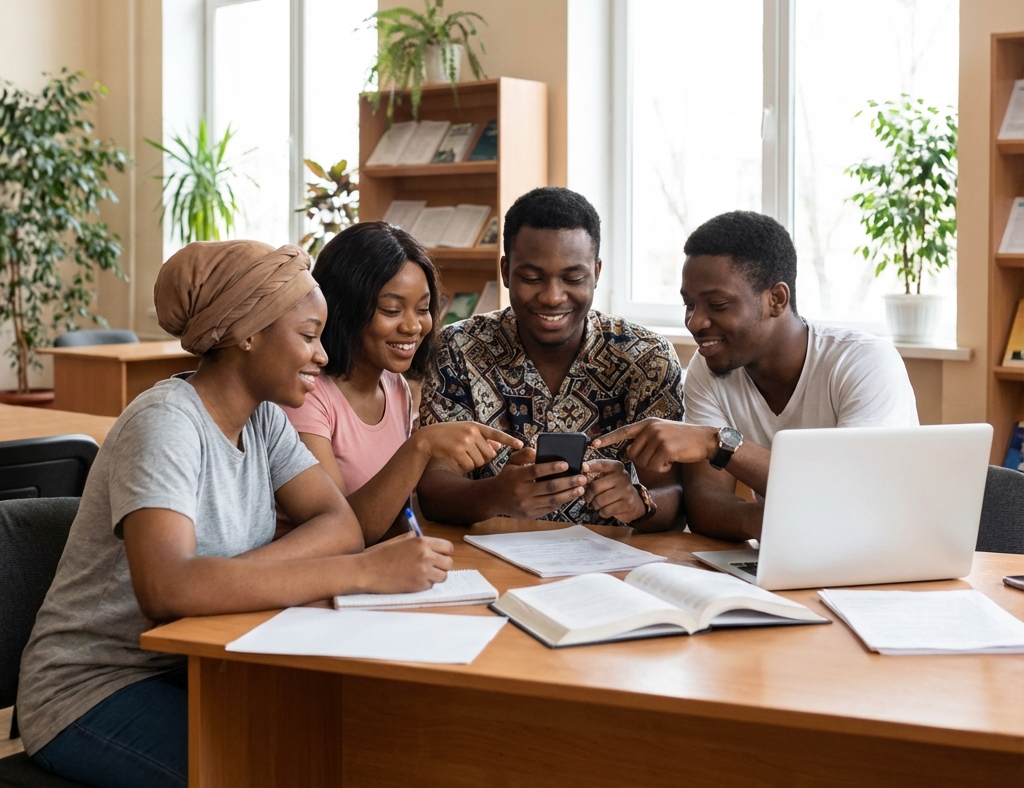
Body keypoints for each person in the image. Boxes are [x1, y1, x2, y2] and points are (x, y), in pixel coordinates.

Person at [17, 240, 456, 788]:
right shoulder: (166, 424)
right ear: (247, 333)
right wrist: (365, 571)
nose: (323, 356)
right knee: (276, 769)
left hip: (200, 662)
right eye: (308, 335)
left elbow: (340, 525)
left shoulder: (265, 421)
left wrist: (229, 579)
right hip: (92, 691)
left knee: (351, 743)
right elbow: (169, 588)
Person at [593, 211, 919, 541]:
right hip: (793, 558)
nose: (694, 322)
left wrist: (717, 443)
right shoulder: (709, 370)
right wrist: (762, 522)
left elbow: (850, 499)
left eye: (717, 305)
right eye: (689, 304)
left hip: (890, 556)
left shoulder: (863, 363)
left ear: (776, 299)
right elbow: (706, 505)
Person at [416, 187, 685, 530]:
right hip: (493, 559)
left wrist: (637, 502)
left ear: (597, 273)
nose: (552, 297)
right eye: (531, 278)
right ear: (505, 271)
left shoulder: (647, 358)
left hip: (609, 566)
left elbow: (672, 494)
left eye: (573, 278)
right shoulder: (458, 349)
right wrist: (496, 495)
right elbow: (434, 489)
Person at [280, 222, 520, 544]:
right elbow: (341, 535)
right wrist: (421, 446)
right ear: (343, 309)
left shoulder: (394, 386)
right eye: (392, 309)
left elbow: (396, 513)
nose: (412, 326)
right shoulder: (305, 396)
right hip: (312, 581)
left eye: (422, 309)